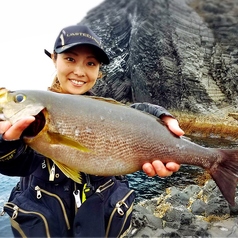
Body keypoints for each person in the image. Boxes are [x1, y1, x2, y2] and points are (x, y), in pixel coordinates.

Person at [0, 25, 184, 237]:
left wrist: (159, 114)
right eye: (70, 59)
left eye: (90, 63)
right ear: (54, 59)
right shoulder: (33, 119)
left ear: (99, 70)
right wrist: (6, 143)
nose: (79, 71)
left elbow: (128, 112)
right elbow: (17, 163)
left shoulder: (106, 110)